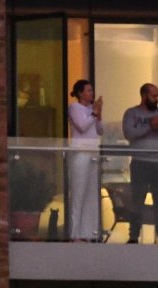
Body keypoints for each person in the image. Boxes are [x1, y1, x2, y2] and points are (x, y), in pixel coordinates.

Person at [122, 83, 158, 244]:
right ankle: (134, 236)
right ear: (144, 96)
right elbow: (129, 133)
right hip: (141, 163)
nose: (157, 99)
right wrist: (150, 126)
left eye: (157, 95)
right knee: (137, 200)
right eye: (153, 96)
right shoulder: (132, 113)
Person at [67, 80, 103, 242]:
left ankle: (88, 233)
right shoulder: (74, 108)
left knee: (91, 194)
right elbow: (81, 126)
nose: (91, 93)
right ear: (80, 93)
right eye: (88, 91)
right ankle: (75, 234)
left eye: (92, 91)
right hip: (80, 152)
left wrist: (98, 114)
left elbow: (100, 130)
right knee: (79, 193)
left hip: (93, 152)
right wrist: (94, 113)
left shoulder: (91, 110)